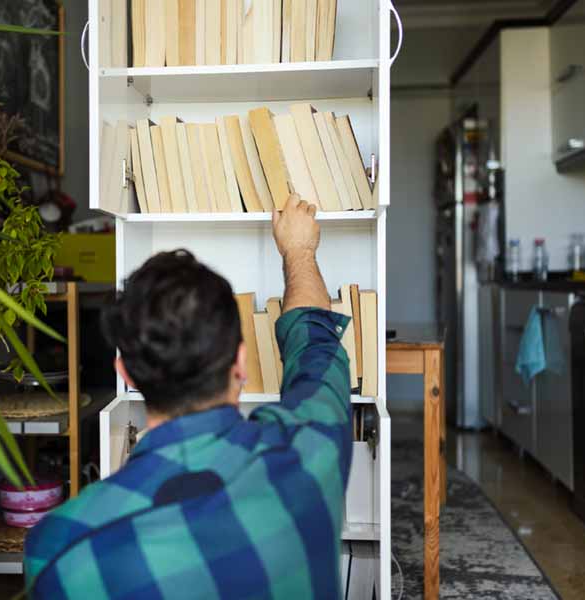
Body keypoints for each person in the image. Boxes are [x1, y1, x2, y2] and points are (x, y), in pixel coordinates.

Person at [24, 195, 353, 599]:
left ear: (125, 373)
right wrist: (298, 252)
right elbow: (315, 344)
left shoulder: (61, 545)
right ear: (241, 361)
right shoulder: (310, 447)